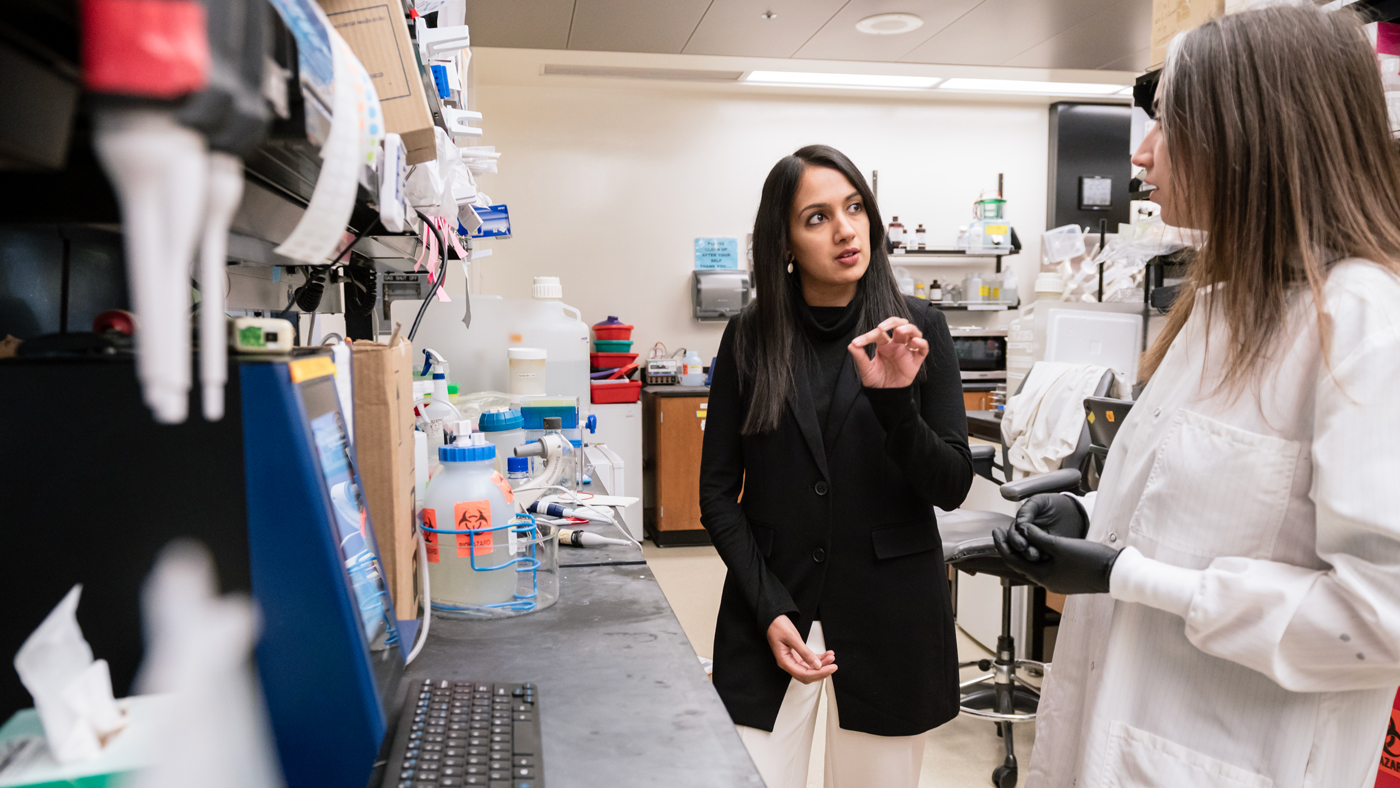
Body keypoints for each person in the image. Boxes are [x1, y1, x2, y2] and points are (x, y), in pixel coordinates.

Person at [992, 6, 1400, 787]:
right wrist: (1089, 516)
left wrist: (1125, 575)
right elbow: (1200, 512)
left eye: (1169, 124)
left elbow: (1381, 621)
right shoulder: (1219, 309)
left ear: (1256, 135)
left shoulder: (1364, 327)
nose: (1141, 156)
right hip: (1114, 742)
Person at [699, 144, 973, 788]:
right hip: (771, 608)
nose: (845, 229)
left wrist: (895, 404)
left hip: (888, 614)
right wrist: (768, 609)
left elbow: (953, 485)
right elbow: (716, 494)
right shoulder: (750, 335)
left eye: (854, 208)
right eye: (817, 217)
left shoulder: (918, 328)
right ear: (786, 241)